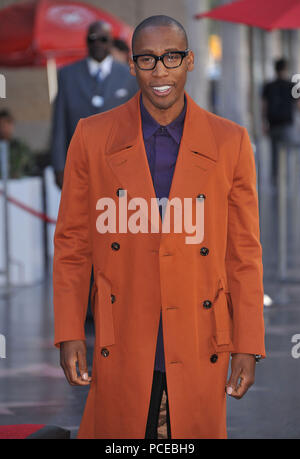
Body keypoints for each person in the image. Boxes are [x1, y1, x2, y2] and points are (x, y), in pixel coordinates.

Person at [53, 15, 266, 439]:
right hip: (125, 329)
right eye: (147, 59)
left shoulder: (230, 142)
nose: (160, 71)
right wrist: (69, 331)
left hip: (200, 331)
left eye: (171, 57)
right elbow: (73, 244)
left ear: (189, 61)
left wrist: (248, 343)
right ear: (131, 66)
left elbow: (243, 252)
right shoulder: (92, 137)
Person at [50, 20, 138, 189]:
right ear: (86, 41)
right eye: (92, 39)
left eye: (103, 39)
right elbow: (59, 122)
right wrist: (58, 166)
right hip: (79, 165)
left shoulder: (129, 76)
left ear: (111, 41)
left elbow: (136, 122)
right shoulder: (67, 75)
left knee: (113, 214)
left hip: (119, 167)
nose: (97, 43)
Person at [262, 58, 297, 186]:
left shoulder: (268, 86)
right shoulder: (291, 85)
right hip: (287, 124)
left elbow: (264, 106)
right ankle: (286, 178)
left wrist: (264, 123)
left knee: (274, 153)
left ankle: (275, 178)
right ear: (285, 69)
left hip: (273, 124)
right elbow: (298, 105)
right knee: (287, 152)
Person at [0, 109, 37, 178]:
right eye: (1, 125)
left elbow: (31, 169)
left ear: (12, 125)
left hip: (19, 186)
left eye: (7, 124)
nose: (4, 128)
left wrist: (19, 175)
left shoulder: (21, 147)